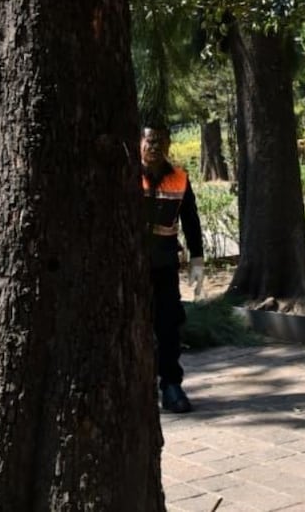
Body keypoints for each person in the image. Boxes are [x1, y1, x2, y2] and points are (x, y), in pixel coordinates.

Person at [141, 123, 205, 414]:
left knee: (168, 325)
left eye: (159, 142)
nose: (153, 147)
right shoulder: (123, 174)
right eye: (148, 140)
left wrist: (197, 260)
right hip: (128, 266)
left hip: (163, 264)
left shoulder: (179, 178)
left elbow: (190, 219)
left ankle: (170, 385)